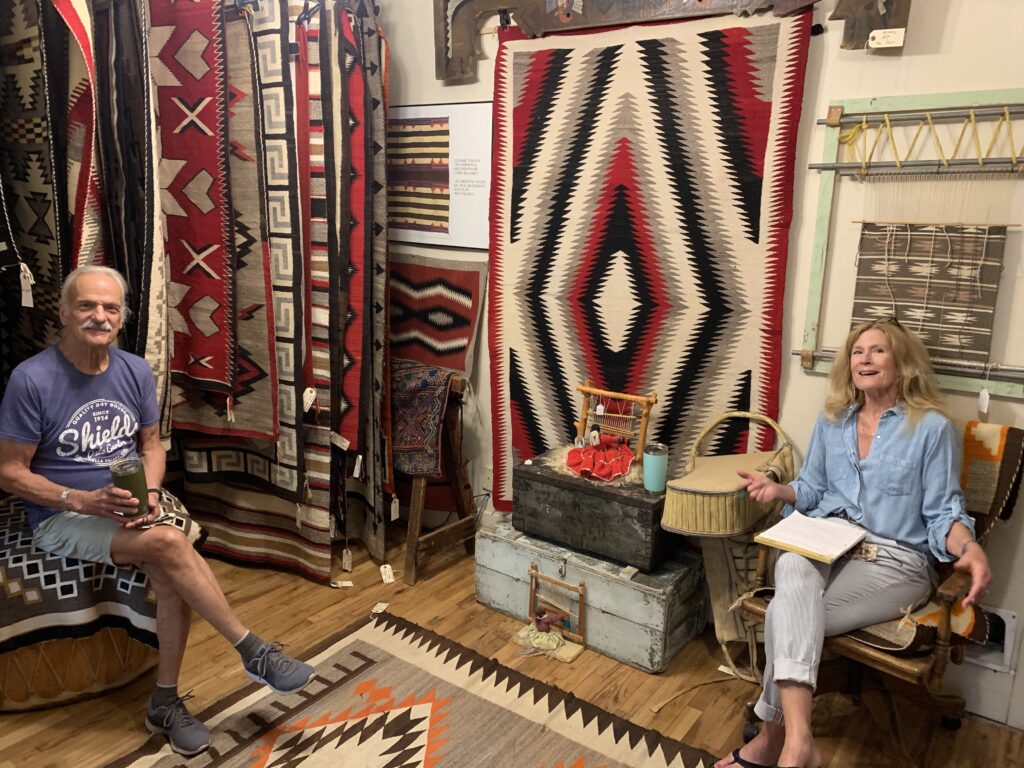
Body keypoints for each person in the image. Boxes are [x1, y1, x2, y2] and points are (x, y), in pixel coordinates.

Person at [0, 265, 314, 758]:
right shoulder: (31, 380)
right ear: (63, 312)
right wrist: (81, 500)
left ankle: (164, 703)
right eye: (86, 306)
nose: (98, 316)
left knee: (170, 573)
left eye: (110, 307)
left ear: (121, 317)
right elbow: (10, 473)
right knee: (171, 543)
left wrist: (147, 493)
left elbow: (152, 445)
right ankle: (252, 650)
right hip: (64, 515)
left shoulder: (133, 371)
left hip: (129, 501)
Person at [715, 319, 992, 768]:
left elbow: (944, 514)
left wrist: (969, 549)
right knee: (791, 570)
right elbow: (811, 489)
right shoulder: (832, 422)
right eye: (857, 351)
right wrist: (778, 490)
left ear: (902, 364)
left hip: (896, 563)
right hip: (828, 543)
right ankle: (799, 740)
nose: (864, 358)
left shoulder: (932, 429)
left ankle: (771, 742)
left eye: (878, 350)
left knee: (789, 612)